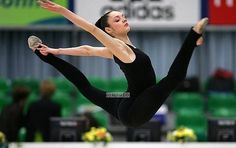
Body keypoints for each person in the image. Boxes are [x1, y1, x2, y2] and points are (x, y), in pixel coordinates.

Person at [29, 0, 208, 127]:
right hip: (133, 109)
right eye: (117, 20)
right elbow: (91, 29)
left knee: (87, 88)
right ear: (108, 30)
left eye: (122, 16)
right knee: (173, 79)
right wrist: (62, 10)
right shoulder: (119, 48)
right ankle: (193, 37)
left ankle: (44, 55)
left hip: (122, 101)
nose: (123, 19)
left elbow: (87, 50)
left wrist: (56, 51)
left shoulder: (119, 50)